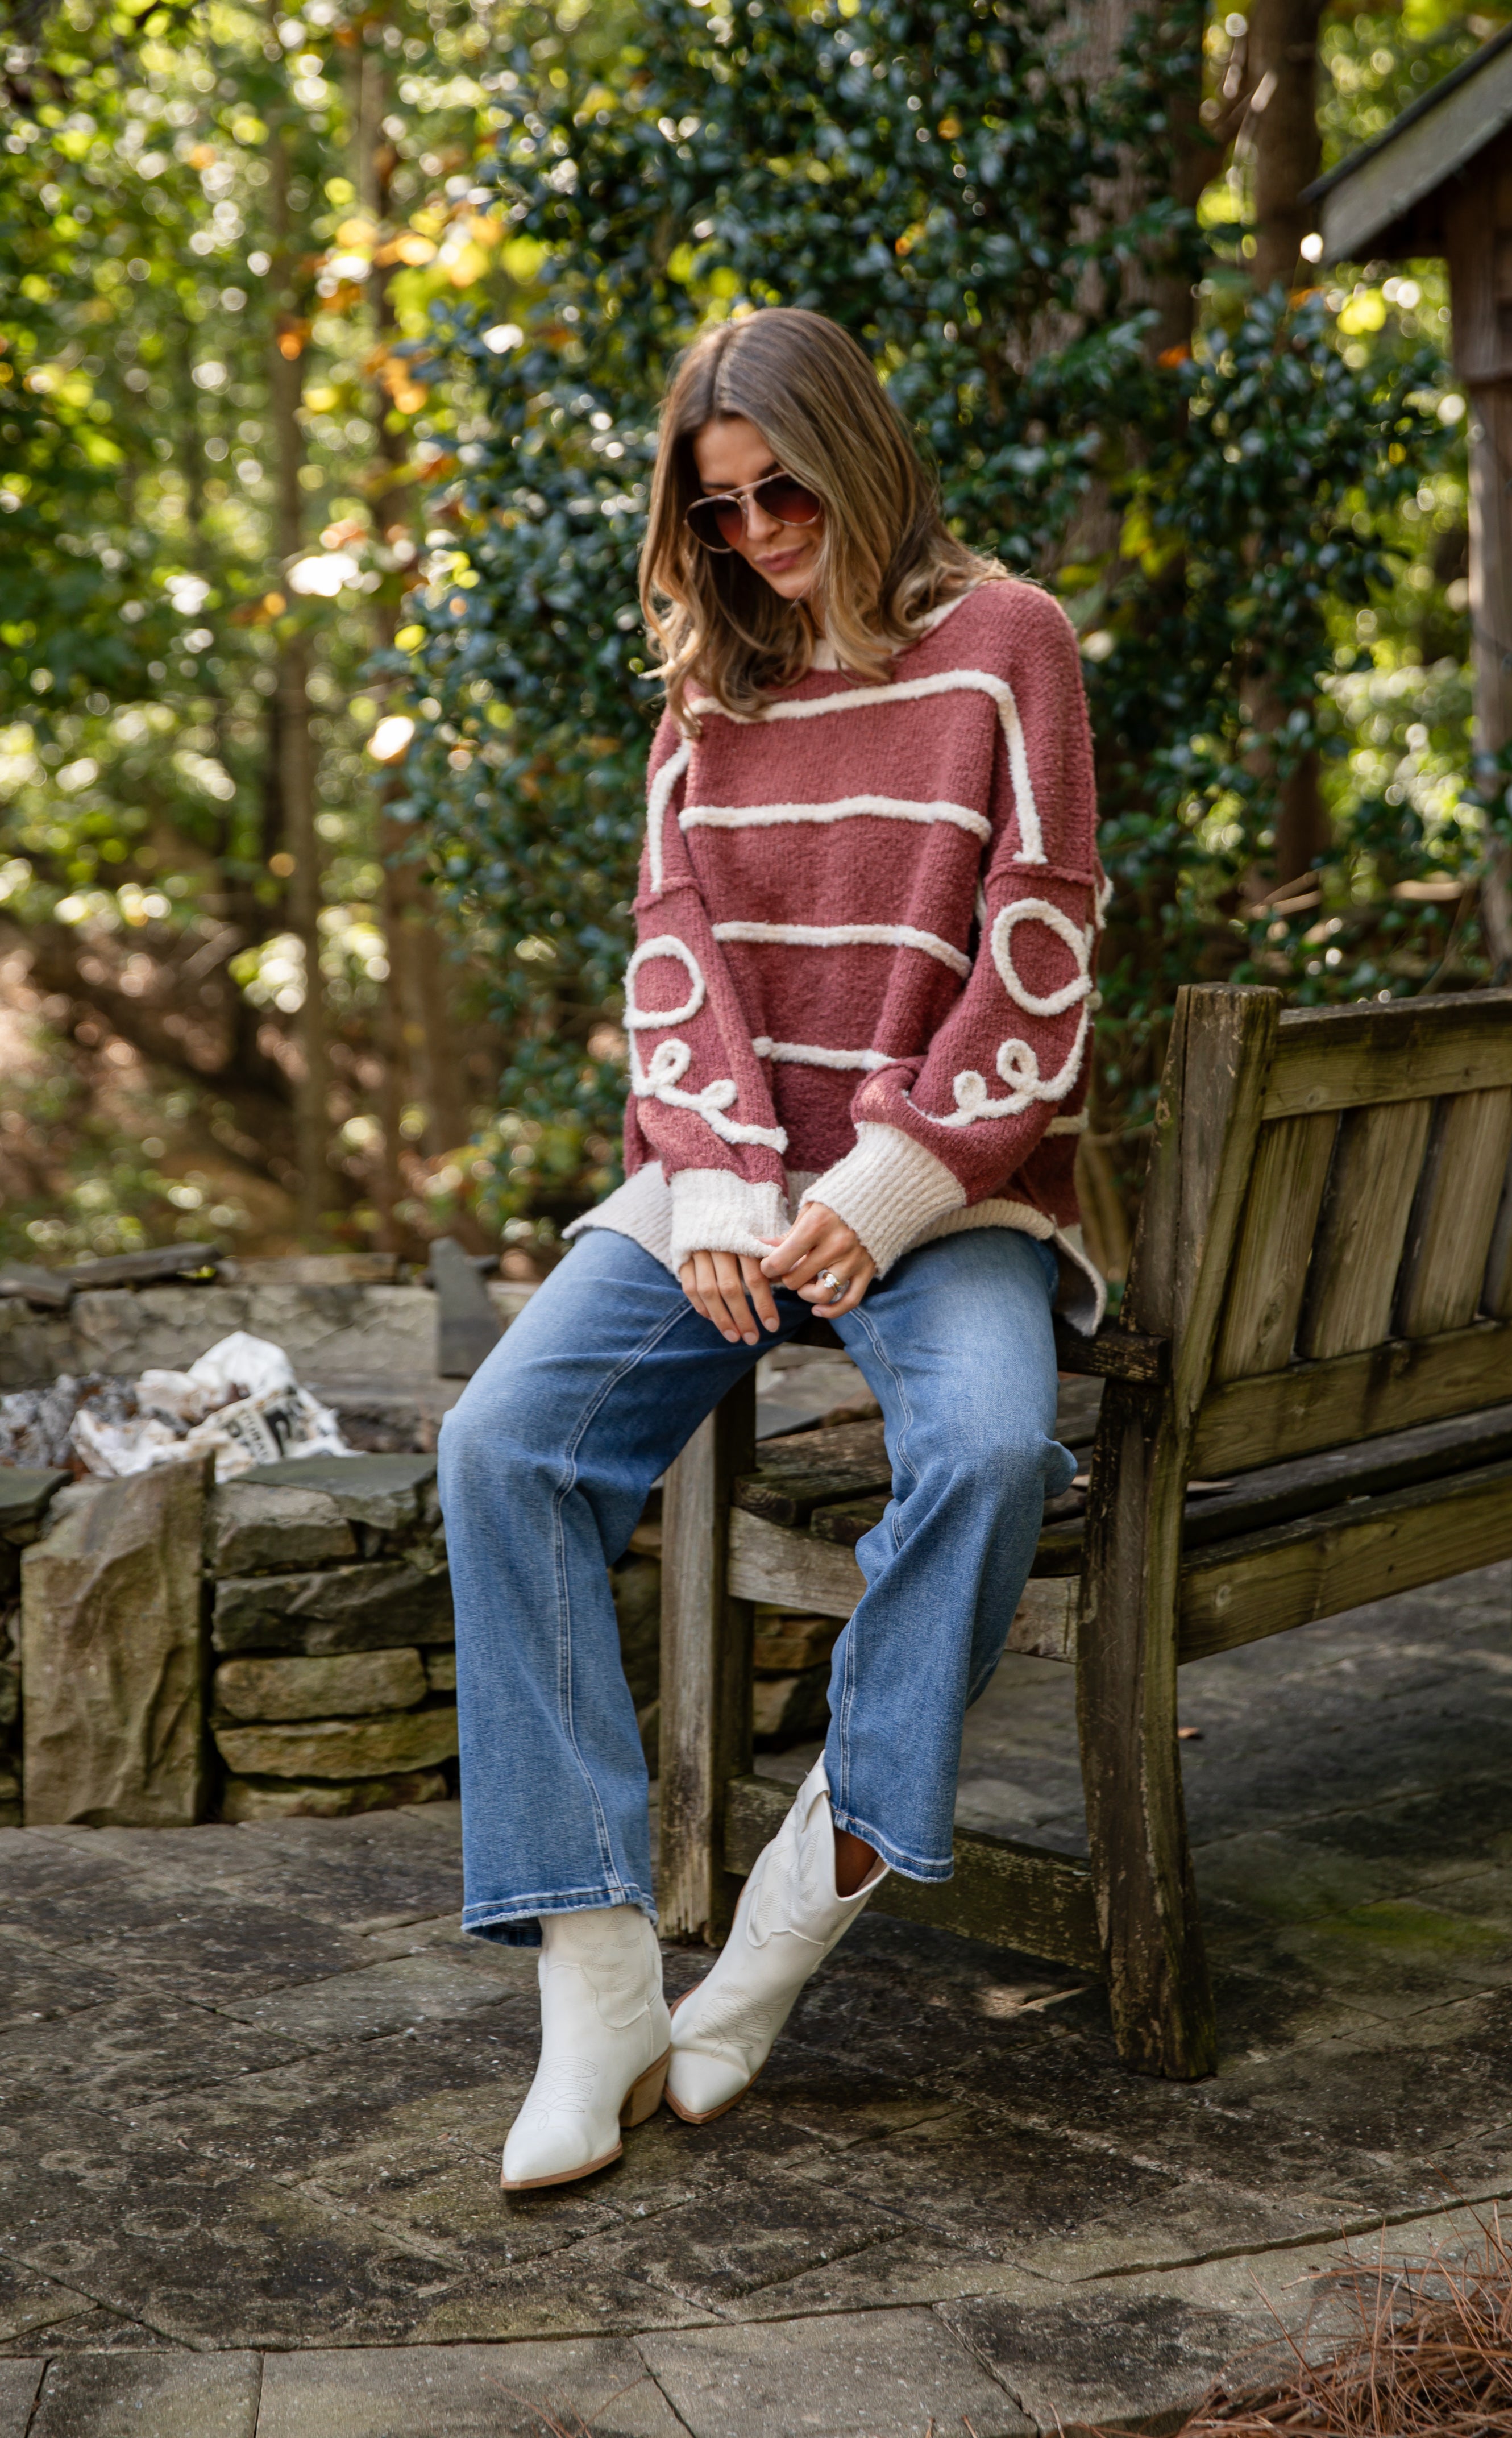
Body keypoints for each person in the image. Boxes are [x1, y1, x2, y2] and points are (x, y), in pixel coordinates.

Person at [438, 304, 1108, 2192]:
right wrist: (724, 1189)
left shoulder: (1006, 647)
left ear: (860, 454)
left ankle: (807, 1894)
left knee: (982, 1453)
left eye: (782, 492)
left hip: (938, 1193)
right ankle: (593, 1979)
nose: (754, 537)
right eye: (717, 510)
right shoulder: (706, 688)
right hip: (721, 1189)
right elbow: (674, 962)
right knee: (500, 1445)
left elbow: (1039, 966)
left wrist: (881, 1189)